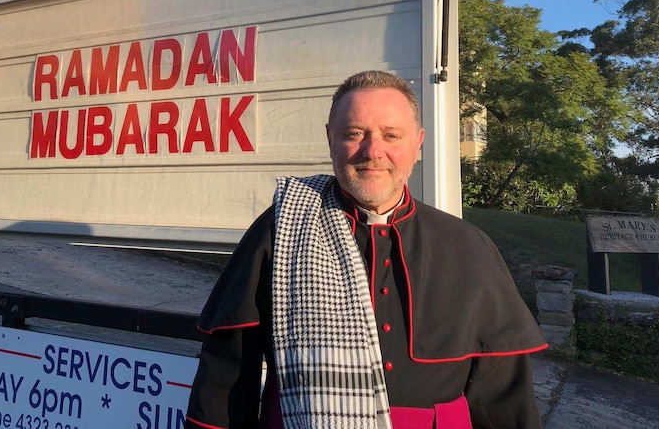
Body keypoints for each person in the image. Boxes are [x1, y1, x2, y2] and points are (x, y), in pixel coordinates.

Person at [185, 70, 547, 429]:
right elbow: (228, 372)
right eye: (354, 133)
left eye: (392, 135)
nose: (373, 151)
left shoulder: (468, 246)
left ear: (417, 144)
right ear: (330, 140)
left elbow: (502, 394)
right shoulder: (280, 229)